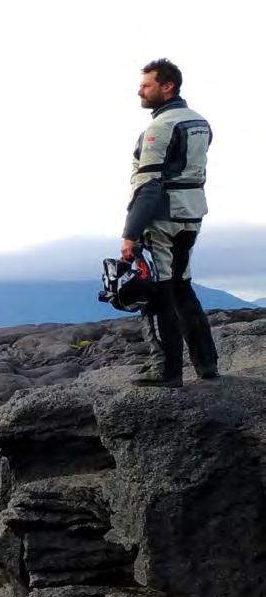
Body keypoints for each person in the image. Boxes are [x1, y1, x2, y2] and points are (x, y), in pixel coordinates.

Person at [121, 58, 219, 386]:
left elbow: (148, 186)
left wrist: (131, 234)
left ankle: (167, 371)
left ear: (168, 86)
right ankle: (207, 364)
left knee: (159, 290)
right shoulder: (200, 123)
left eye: (146, 85)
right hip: (192, 214)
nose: (140, 91)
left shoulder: (160, 128)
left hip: (162, 217)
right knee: (182, 284)